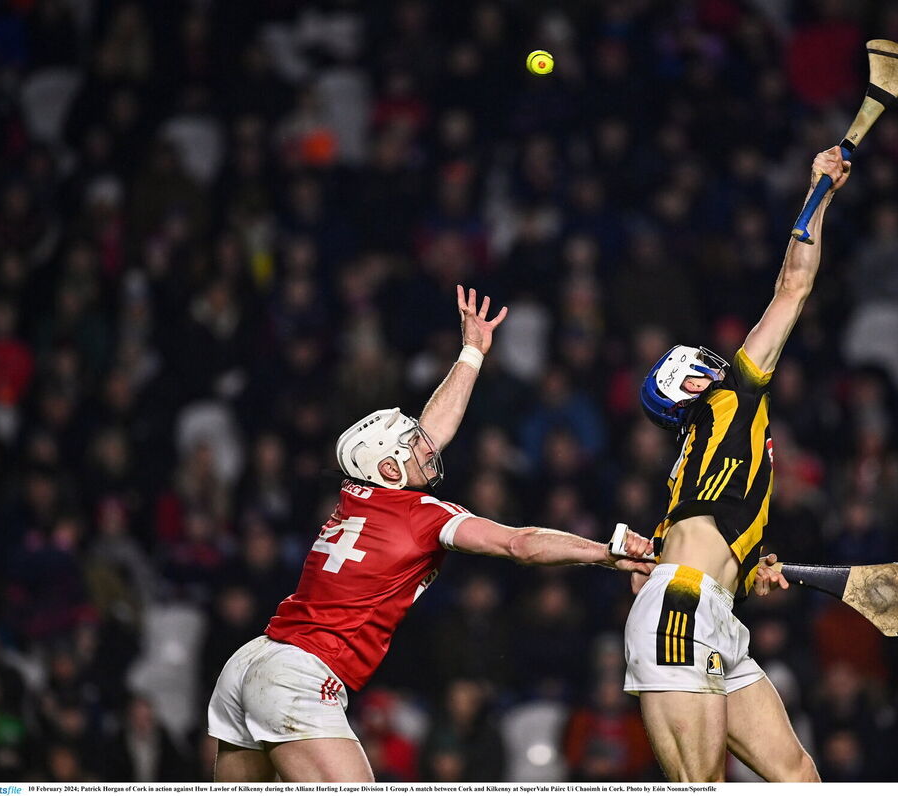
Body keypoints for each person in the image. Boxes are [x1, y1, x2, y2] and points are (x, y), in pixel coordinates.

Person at [207, 287, 653, 782]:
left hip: (253, 661)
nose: (426, 445)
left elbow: (431, 431)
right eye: (411, 444)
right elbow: (518, 544)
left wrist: (471, 354)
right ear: (392, 469)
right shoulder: (418, 514)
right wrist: (607, 552)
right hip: (300, 673)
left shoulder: (360, 493)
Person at [625, 147, 851, 781]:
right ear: (694, 383)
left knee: (798, 778)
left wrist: (752, 568)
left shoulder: (709, 449)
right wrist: (820, 192)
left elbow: (707, 544)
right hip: (683, 609)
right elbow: (793, 286)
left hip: (715, 612)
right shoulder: (732, 398)